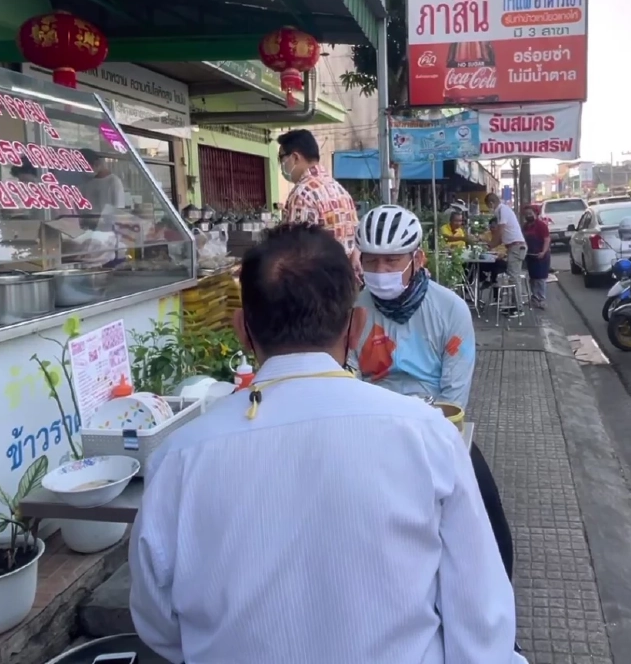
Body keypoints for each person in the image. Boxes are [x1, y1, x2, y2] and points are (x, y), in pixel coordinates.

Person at [131, 223, 524, 664]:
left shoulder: (178, 459)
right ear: (355, 327)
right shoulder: (428, 438)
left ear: (242, 330)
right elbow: (482, 622)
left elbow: (159, 626)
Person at [349, 205, 516, 581]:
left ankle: (502, 616)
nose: (380, 273)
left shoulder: (451, 309)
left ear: (418, 258)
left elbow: (453, 397)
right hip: (371, 431)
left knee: (488, 513)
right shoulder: (354, 311)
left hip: (437, 429)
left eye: (392, 262)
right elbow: (350, 376)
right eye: (371, 262)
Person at [277, 128, 361, 276]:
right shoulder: (339, 190)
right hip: (343, 282)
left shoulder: (302, 194)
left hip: (317, 284)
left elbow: (296, 252)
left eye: (282, 159)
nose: (281, 166)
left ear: (295, 157)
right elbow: (355, 241)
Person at [484, 193, 526, 270]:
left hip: (516, 246)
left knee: (513, 275)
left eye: (488, 206)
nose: (489, 209)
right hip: (513, 246)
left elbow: (500, 230)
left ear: (491, 203)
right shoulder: (501, 210)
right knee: (512, 273)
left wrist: (492, 243)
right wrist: (491, 245)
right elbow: (501, 236)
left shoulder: (502, 210)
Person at [80, 150, 128, 214]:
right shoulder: (87, 182)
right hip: (87, 221)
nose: (83, 171)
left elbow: (119, 209)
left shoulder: (113, 182)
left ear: (96, 164)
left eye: (85, 168)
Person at [521, 205, 551, 308]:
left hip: (541, 256)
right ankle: (534, 298)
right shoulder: (525, 226)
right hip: (530, 255)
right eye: (526, 214)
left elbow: (547, 239)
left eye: (530, 214)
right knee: (532, 278)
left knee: (540, 279)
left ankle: (542, 299)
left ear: (536, 214)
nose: (528, 216)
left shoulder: (541, 225)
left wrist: (543, 251)